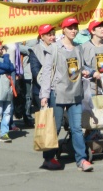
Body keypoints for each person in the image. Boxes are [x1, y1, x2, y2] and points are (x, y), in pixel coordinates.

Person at [39, 17, 96, 172]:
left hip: (75, 93)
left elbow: (82, 65)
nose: (73, 30)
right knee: (55, 127)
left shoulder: (78, 47)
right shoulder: (54, 48)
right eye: (70, 28)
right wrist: (44, 95)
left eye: (75, 27)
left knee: (77, 128)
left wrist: (89, 71)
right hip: (57, 93)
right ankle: (49, 158)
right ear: (63, 30)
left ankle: (81, 159)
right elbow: (46, 71)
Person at [27, 24, 60, 169]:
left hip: (58, 90)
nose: (52, 37)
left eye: (53, 34)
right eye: (49, 35)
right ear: (42, 37)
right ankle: (48, 157)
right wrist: (48, 87)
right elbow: (36, 74)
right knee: (50, 125)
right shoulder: (35, 51)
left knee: (59, 123)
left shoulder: (58, 48)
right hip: (42, 92)